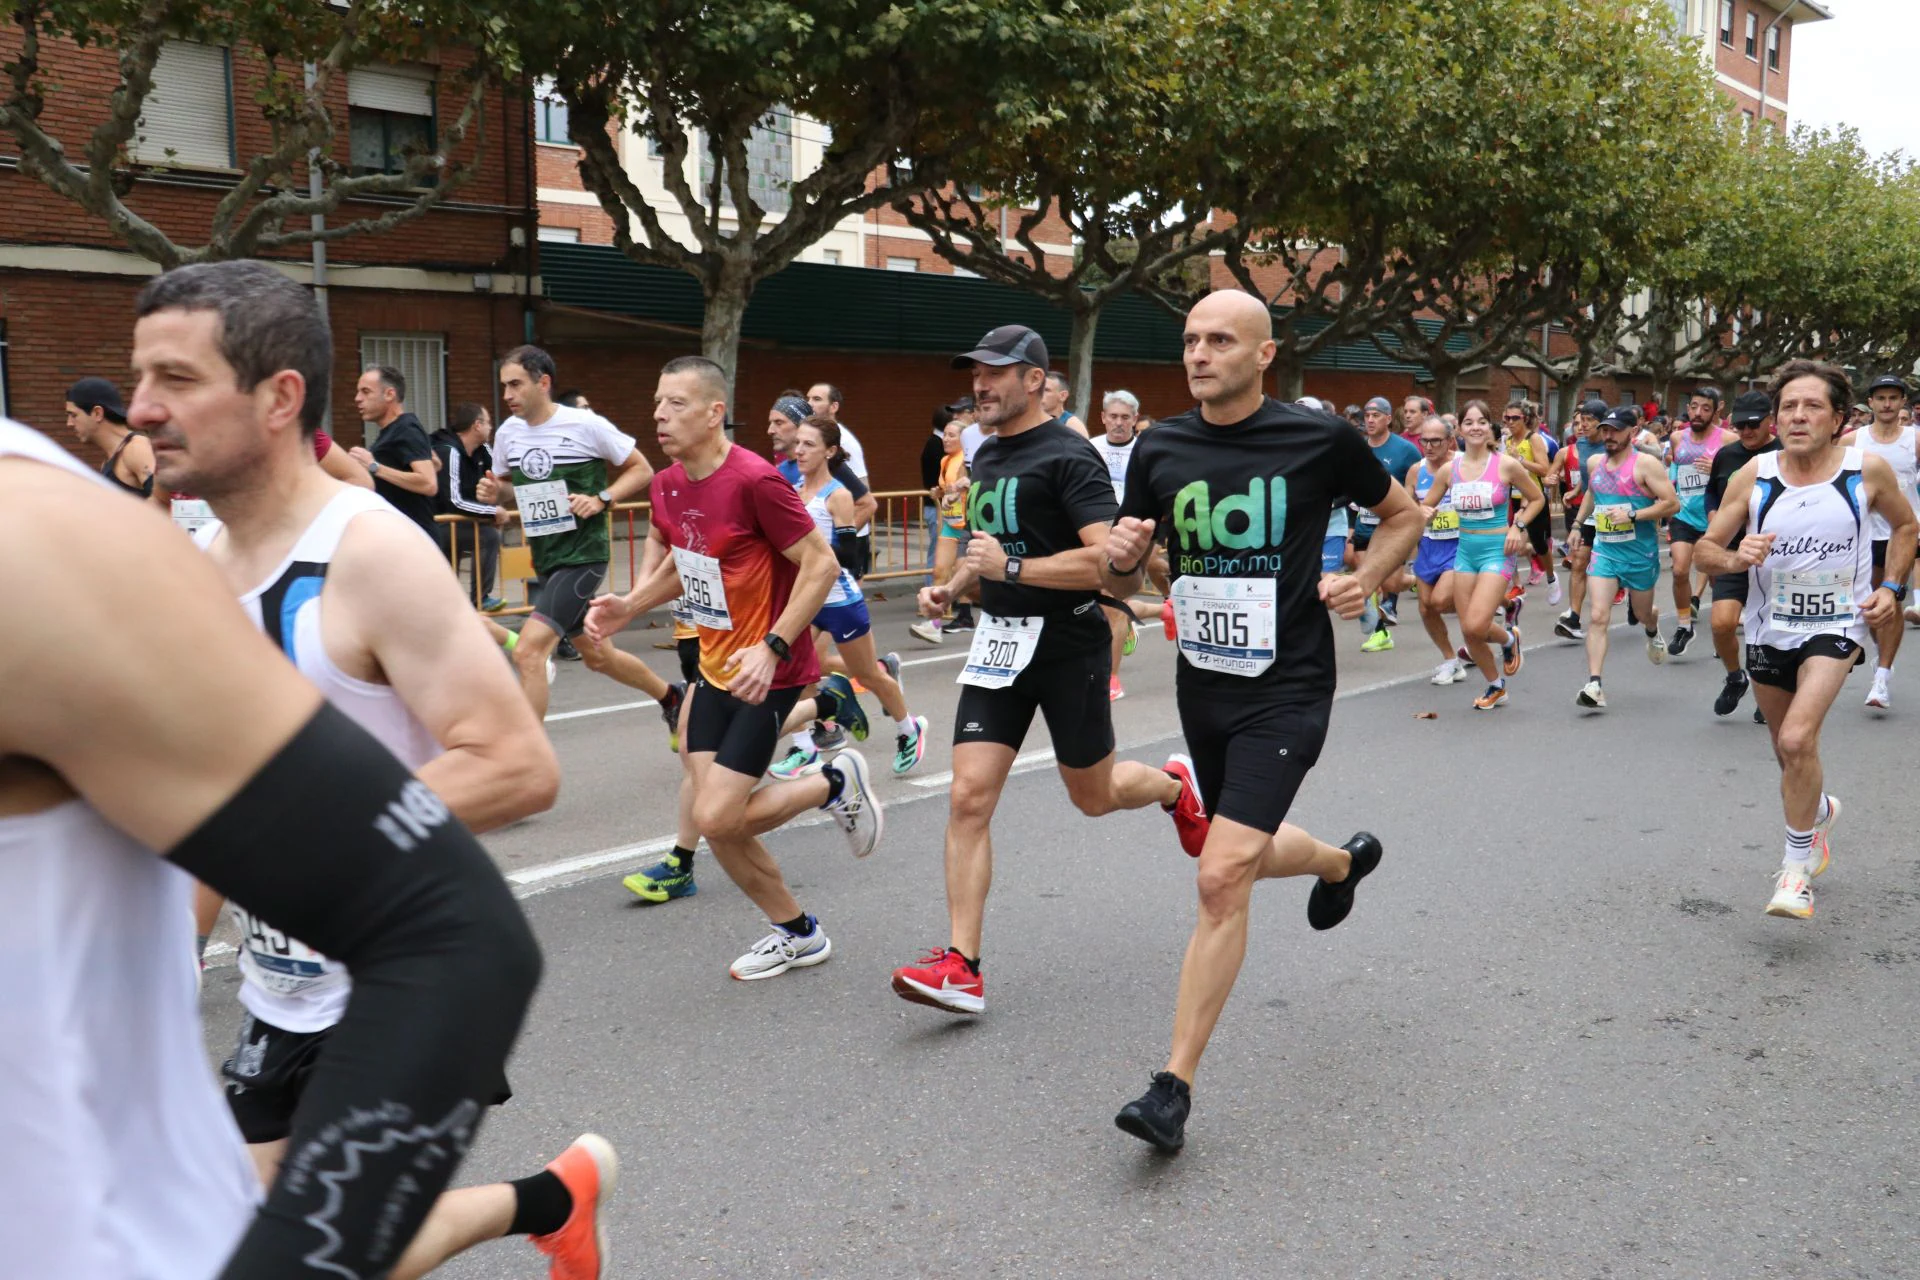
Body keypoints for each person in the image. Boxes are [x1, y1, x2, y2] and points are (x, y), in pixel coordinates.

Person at [130, 261, 621, 1280]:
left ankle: (554, 1194)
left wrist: (301, 842)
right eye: (140, 379)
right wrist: (171, 952)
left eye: (176, 380)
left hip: (405, 976)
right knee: (252, 1236)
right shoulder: (196, 574)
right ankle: (552, 1195)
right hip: (281, 990)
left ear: (278, 397)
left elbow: (517, 766)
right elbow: (228, 800)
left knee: (316, 1259)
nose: (142, 409)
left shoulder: (368, 554)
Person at [1098, 290, 1422, 1151]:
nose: (1199, 354)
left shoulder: (1316, 438)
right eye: (1190, 341)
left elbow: (1403, 515)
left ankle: (1172, 1088)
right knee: (1233, 853)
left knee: (1219, 873)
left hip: (1290, 685)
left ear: (1263, 353)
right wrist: (1126, 565)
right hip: (1205, 685)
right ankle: (1339, 862)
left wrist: (1369, 579)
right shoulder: (1160, 446)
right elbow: (1129, 581)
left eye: (1219, 341)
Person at [889, 324, 1206, 1018]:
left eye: (996, 372)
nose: (980, 384)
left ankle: (1173, 785)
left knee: (1092, 796)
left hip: (1067, 645)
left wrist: (1011, 568)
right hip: (998, 645)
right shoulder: (986, 453)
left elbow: (1108, 569)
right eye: (975, 372)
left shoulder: (1070, 457)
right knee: (969, 798)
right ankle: (962, 966)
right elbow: (989, 551)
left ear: (1035, 379)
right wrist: (958, 588)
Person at [588, 356, 884, 979]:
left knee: (716, 815)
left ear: (714, 411)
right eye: (657, 402)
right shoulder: (668, 484)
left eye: (676, 404)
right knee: (717, 823)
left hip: (766, 671)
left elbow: (821, 565)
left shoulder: (756, 481)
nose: (659, 414)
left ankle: (834, 783)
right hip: (713, 666)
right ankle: (797, 933)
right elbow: (689, 561)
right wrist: (630, 605)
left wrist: (774, 645)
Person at [1694, 360, 1916, 919]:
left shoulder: (1866, 471)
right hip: (1771, 628)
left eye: (1812, 405)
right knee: (1786, 753)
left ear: (1839, 418)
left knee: (1796, 740)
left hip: (1838, 624)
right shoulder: (1756, 475)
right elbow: (1704, 550)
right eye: (1787, 407)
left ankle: (1795, 872)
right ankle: (1817, 812)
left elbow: (1908, 527)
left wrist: (1891, 586)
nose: (1797, 416)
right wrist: (1734, 555)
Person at [479, 346, 675, 726]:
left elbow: (642, 469)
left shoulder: (585, 424)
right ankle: (671, 696)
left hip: (584, 556)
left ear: (543, 382)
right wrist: (493, 493)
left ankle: (525, 758)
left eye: (516, 385)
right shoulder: (508, 434)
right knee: (599, 657)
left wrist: (602, 498)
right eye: (504, 386)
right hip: (547, 557)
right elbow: (508, 487)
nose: (507, 395)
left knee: (529, 651)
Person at [770, 417, 927, 777]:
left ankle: (909, 729)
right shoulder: (793, 490)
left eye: (810, 445)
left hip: (840, 602)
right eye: (799, 444)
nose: (800, 451)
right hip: (806, 600)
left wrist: (812, 551)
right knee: (788, 673)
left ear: (830, 451)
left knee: (868, 675)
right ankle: (804, 748)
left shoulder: (837, 495)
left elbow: (850, 556)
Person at [1425, 401, 1544, 710]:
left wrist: (1518, 526)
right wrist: (1422, 512)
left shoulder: (1505, 464)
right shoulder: (1450, 470)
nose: (1475, 427)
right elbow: (1425, 506)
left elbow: (1537, 499)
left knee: (1477, 625)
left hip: (1497, 550)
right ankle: (1496, 685)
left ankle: (1507, 639)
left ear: (1490, 427)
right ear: (1459, 430)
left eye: (1481, 421)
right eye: (1468, 422)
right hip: (1465, 552)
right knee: (1468, 629)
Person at [1568, 407, 1680, 708]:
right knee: (1597, 616)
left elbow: (1672, 504)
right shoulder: (1595, 463)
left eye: (1615, 430)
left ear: (1632, 432)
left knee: (1643, 613)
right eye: (1605, 430)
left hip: (1639, 554)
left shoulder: (1645, 465)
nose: (1608, 435)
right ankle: (1594, 685)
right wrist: (1578, 525)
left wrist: (1633, 514)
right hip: (1605, 551)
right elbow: (1593, 494)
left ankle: (1652, 628)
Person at [1840, 374, 1920, 710]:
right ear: (1869, 403)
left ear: (1903, 402)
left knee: (1892, 600)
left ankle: (1882, 677)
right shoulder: (1852, 441)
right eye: (1881, 398)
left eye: (1893, 398)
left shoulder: (1914, 439)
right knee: (1873, 606)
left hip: (1902, 532)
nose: (1887, 404)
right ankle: (1880, 653)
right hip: (1865, 535)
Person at [1704, 390, 1779, 719]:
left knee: (1770, 628)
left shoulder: (1786, 453)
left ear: (1769, 422)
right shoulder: (1727, 455)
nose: (1746, 432)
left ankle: (1770, 689)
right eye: (1739, 426)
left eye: (1752, 425)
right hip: (1732, 552)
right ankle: (1736, 677)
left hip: (1778, 556)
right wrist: (1713, 519)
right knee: (1721, 624)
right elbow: (1711, 491)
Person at [1663, 387, 1732, 658]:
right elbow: (1675, 473)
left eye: (1705, 408)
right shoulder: (1677, 438)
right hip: (1684, 514)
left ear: (1717, 410)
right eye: (1694, 406)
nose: (1698, 413)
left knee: (1716, 578)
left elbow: (1739, 476)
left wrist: (1716, 469)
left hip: (1714, 516)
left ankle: (1721, 630)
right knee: (1680, 571)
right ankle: (1684, 625)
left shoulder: (1728, 440)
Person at [1354, 395, 1421, 647]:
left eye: (1376, 415)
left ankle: (1420, 579)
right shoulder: (1358, 447)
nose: (1370, 420)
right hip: (1364, 525)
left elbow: (1421, 478)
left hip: (1392, 527)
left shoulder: (1405, 450)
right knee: (1366, 582)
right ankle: (1379, 633)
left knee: (1392, 582)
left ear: (1388, 419)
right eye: (1367, 416)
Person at [1090, 389, 1142, 699]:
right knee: (1094, 604)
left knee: (1113, 607)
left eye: (1125, 417)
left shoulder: (1144, 449)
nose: (1119, 423)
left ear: (1135, 419)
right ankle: (1129, 626)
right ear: (1103, 418)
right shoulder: (1091, 447)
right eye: (1113, 417)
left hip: (1129, 536)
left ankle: (1111, 678)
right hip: (1094, 533)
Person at [346, 366, 440, 537]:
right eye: (358, 392)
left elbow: (428, 483)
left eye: (366, 392)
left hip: (416, 540)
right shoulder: (393, 431)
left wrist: (374, 466)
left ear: (389, 394)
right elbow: (431, 467)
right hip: (396, 536)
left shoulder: (406, 428)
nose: (357, 399)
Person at [1406, 417, 1466, 684]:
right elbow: (1406, 510)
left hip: (1461, 544)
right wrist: (1420, 512)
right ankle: (1451, 660)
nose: (1428, 446)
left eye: (1435, 441)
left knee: (1440, 601)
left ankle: (1489, 608)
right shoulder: (1416, 471)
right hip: (1429, 546)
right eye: (1424, 441)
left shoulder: (1465, 464)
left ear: (1450, 441)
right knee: (1425, 608)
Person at [912, 412, 978, 643]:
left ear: (963, 439)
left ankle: (972, 616)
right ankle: (933, 625)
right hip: (950, 522)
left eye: (951, 436)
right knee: (940, 571)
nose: (945, 439)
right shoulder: (945, 460)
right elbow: (946, 489)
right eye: (945, 435)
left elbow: (976, 484)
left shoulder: (968, 460)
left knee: (965, 575)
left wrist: (965, 483)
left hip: (968, 523)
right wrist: (938, 492)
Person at [433, 402, 506, 610]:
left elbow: (501, 477)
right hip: (439, 522)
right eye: (489, 423)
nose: (491, 428)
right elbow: (454, 501)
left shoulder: (483, 449)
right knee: (487, 536)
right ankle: (474, 600)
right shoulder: (449, 451)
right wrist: (492, 512)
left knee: (486, 535)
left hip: (459, 521)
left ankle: (474, 601)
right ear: (477, 425)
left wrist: (495, 495)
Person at [1554, 399, 1610, 640]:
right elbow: (1588, 478)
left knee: (1616, 566)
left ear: (1602, 423)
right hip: (1590, 511)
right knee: (1579, 561)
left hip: (1614, 511)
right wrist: (1576, 490)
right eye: (1581, 420)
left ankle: (1636, 602)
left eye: (1589, 421)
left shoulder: (1613, 444)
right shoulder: (1581, 444)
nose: (1583, 425)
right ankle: (1574, 617)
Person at [805, 382, 873, 575]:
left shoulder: (844, 442)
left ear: (834, 407)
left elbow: (865, 495)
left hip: (849, 537)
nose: (809, 403)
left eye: (817, 399)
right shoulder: (814, 437)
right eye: (808, 398)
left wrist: (843, 537)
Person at [66, 375, 163, 505]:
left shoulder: (136, 448)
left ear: (97, 413)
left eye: (74, 415)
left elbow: (166, 501)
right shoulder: (110, 460)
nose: (69, 423)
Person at [1502, 400, 1561, 605]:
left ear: (1525, 418)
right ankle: (1517, 585)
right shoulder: (1507, 441)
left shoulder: (1533, 439)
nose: (1509, 422)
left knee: (1539, 544)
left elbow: (1544, 469)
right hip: (1513, 499)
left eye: (1514, 418)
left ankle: (1552, 578)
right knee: (1508, 543)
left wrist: (1520, 460)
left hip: (1535, 498)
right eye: (1506, 418)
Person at [1041, 370, 1091, 435]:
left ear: (1063, 396)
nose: (1039, 394)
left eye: (1046, 390)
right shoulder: (1030, 421)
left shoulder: (1072, 426)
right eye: (1039, 389)